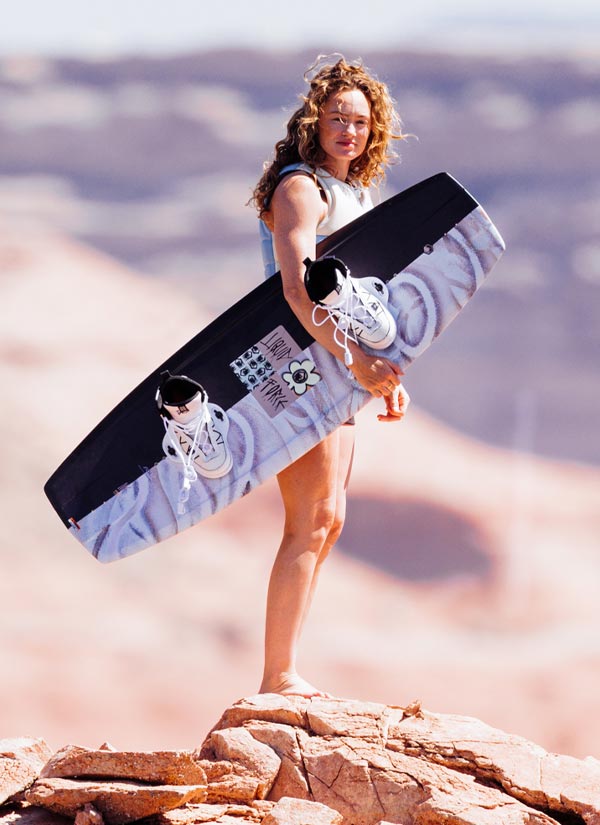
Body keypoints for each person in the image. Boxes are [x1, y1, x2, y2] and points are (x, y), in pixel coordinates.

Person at [250, 55, 409, 698]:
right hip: (298, 366)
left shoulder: (356, 194)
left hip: (338, 368)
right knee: (307, 519)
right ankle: (276, 676)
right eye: (338, 117)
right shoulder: (300, 188)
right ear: (315, 121)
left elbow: (362, 301)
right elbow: (296, 289)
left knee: (329, 519)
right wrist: (356, 362)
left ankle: (287, 671)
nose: (349, 130)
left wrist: (384, 372)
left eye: (362, 121)